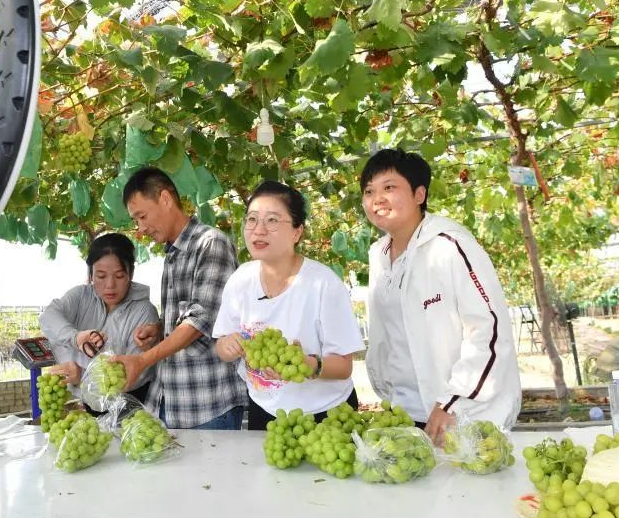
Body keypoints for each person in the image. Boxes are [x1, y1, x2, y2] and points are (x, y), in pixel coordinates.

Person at [360, 148, 522, 446]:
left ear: (419, 194)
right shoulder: (379, 256)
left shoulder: (449, 246)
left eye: (389, 187)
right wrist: (388, 396)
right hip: (405, 414)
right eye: (369, 191)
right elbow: (386, 337)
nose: (377, 198)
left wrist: (454, 401)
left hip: (458, 415)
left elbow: (489, 327)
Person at [212, 181, 363, 430]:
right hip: (264, 410)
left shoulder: (322, 284)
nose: (258, 230)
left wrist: (306, 365)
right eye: (251, 219)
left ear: (296, 232)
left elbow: (344, 366)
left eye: (272, 220)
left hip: (324, 414)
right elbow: (221, 343)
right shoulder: (241, 280)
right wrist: (226, 347)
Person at [110, 167, 247, 430]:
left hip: (208, 404)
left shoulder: (210, 244)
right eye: (135, 221)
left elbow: (200, 322)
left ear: (165, 199)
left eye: (142, 216)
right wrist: (161, 328)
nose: (140, 228)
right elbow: (187, 317)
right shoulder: (173, 254)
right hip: (170, 400)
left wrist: (142, 360)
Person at [40, 233, 160, 413]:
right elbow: (48, 316)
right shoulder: (81, 297)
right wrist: (76, 337)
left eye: (119, 276)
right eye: (101, 276)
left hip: (129, 411)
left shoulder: (144, 312)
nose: (110, 285)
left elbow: (131, 378)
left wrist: (83, 375)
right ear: (91, 274)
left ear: (131, 274)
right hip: (87, 405)